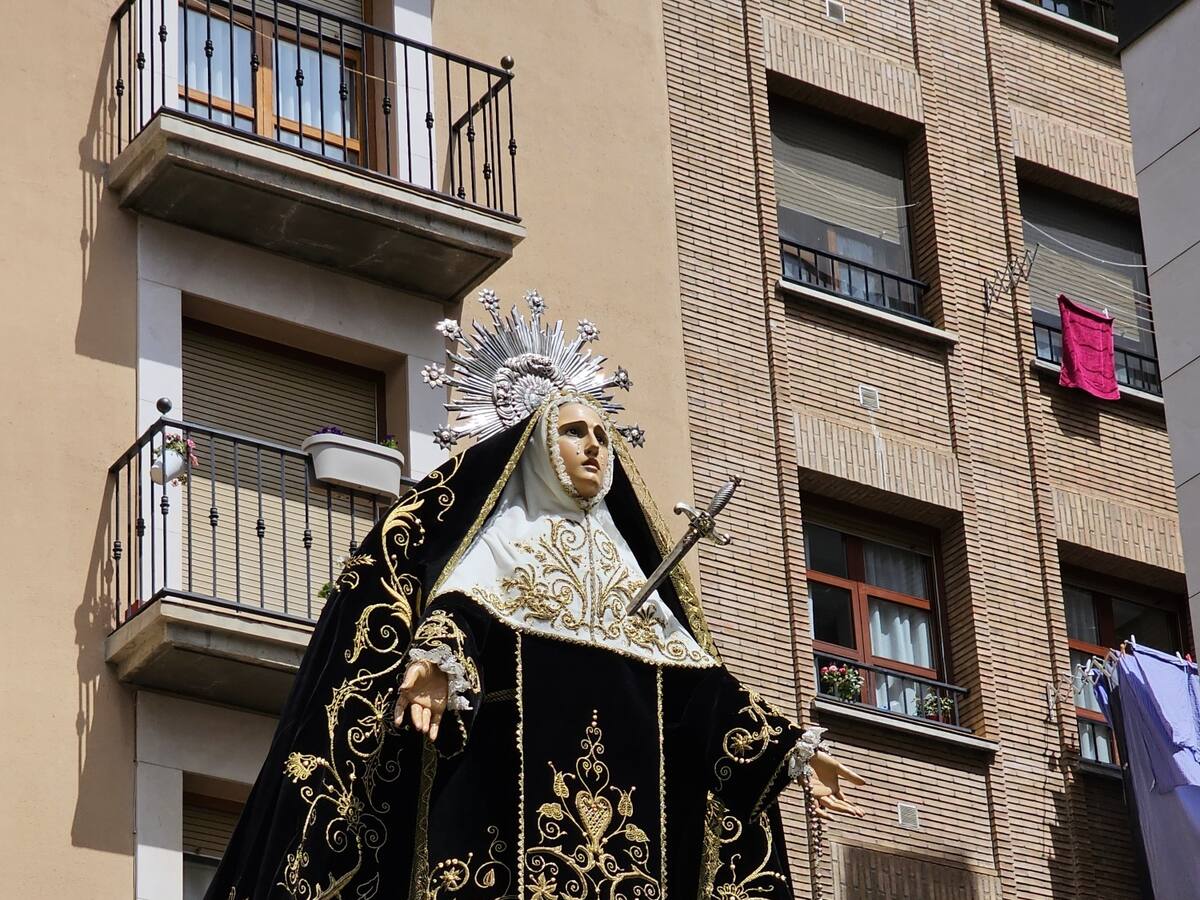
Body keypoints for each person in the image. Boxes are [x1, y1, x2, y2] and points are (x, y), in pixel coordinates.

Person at [205, 292, 864, 900]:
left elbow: (699, 693)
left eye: (603, 437)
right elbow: (458, 616)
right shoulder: (501, 547)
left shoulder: (633, 578)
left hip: (633, 862)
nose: (595, 448)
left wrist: (788, 753)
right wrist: (437, 665)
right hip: (502, 832)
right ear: (539, 448)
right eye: (576, 432)